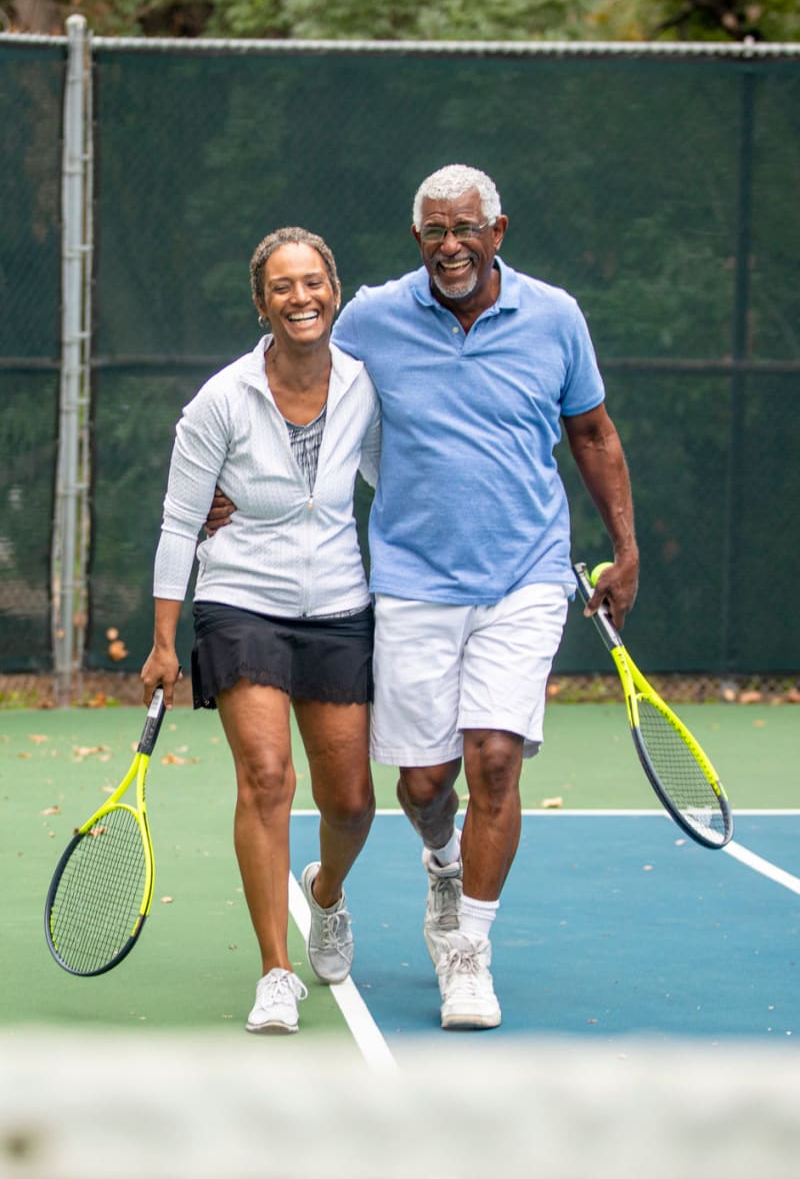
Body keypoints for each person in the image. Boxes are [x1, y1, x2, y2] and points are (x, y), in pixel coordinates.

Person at [209, 165, 639, 1032]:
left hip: (525, 577)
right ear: (418, 240)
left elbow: (591, 432)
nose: (451, 246)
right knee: (421, 784)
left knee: (494, 760)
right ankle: (437, 859)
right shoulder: (370, 316)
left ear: (499, 231)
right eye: (435, 232)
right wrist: (230, 476)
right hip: (408, 583)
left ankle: (467, 953)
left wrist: (625, 553)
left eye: (466, 229)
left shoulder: (555, 317)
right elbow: (293, 373)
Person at [141, 226, 381, 1036]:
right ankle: (277, 969)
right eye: (283, 286)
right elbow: (180, 520)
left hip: (341, 605)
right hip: (242, 599)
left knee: (349, 802)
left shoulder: (365, 385)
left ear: (335, 291)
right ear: (262, 302)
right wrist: (165, 639)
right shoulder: (221, 399)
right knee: (268, 777)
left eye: (313, 282)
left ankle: (326, 894)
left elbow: (395, 475)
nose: (300, 297)